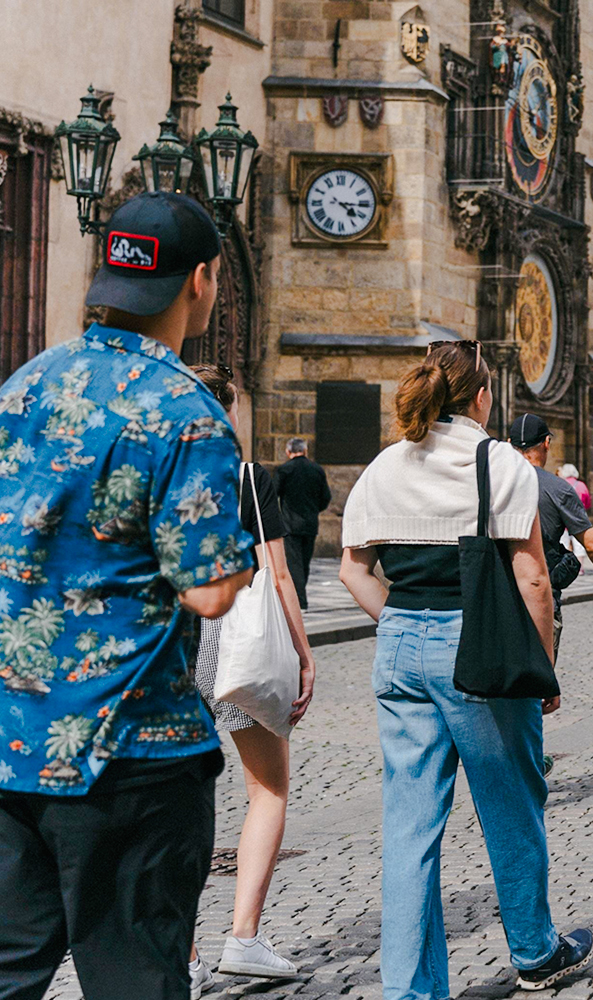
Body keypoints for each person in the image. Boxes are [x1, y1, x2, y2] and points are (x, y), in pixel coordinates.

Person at [0, 192, 254, 999]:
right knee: (136, 978)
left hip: (13, 737)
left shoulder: (23, 386)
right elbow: (211, 591)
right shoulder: (186, 412)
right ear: (203, 282)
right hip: (130, 747)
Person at [339, 342, 593, 996]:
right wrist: (539, 669)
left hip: (400, 646)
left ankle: (411, 990)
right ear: (481, 396)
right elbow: (533, 576)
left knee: (409, 826)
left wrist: (399, 620)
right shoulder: (496, 461)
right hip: (476, 645)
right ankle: (536, 953)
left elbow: (352, 569)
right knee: (510, 803)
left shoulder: (387, 463)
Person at [186, 365, 318, 994]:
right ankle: (242, 937)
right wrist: (302, 648)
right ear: (230, 413)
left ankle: (180, 953)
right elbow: (280, 573)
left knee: (180, 797)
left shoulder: (156, 470)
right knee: (268, 785)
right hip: (237, 637)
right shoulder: (247, 478)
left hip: (173, 637)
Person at [509, 414, 593, 655]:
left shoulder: (489, 481)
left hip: (496, 592)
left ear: (509, 443)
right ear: (546, 443)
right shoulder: (558, 488)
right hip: (540, 596)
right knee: (540, 680)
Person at [274, 437, 331, 610]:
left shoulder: (284, 470)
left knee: (294, 564)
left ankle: (299, 600)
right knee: (304, 563)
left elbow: (273, 493)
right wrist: (314, 510)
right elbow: (325, 497)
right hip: (310, 524)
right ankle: (300, 596)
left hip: (290, 523)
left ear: (287, 451)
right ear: (305, 451)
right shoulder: (317, 470)